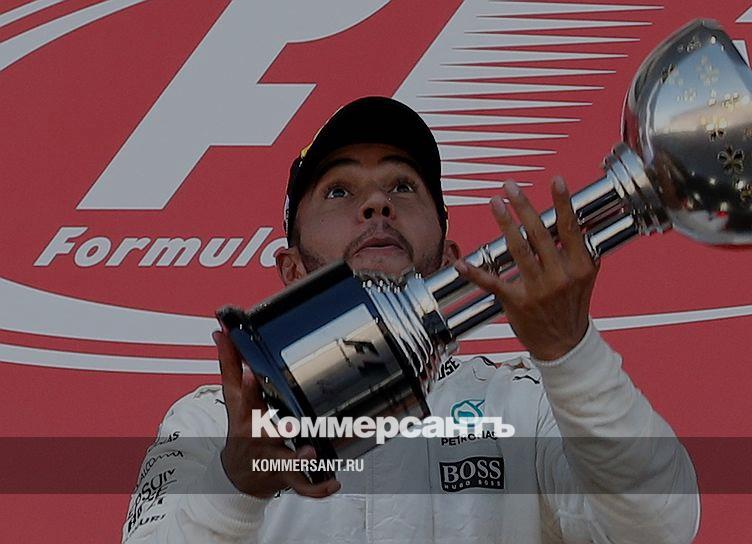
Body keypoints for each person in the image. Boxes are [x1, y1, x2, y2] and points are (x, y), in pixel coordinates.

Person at [122, 96, 700, 543]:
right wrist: (238, 485)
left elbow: (657, 527)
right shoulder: (214, 421)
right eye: (339, 191)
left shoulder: (522, 402)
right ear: (292, 271)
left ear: (448, 257)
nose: (377, 205)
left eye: (402, 186)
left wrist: (571, 354)